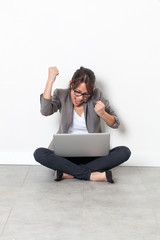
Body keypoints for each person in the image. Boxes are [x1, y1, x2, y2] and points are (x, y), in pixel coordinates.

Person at [33, 66, 131, 183]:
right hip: (65, 157)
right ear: (71, 84)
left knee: (124, 152)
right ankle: (92, 175)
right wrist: (50, 80)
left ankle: (67, 173)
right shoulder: (61, 94)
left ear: (92, 91)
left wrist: (103, 113)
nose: (80, 98)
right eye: (77, 92)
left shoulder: (97, 95)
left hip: (93, 156)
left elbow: (116, 123)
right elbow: (45, 110)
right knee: (39, 153)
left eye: (85, 95)